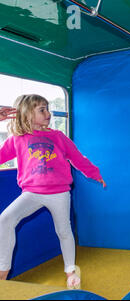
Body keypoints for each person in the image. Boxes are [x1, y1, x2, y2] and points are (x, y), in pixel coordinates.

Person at [0, 94, 106, 289]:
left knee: (64, 231)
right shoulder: (18, 139)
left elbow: (77, 158)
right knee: (5, 219)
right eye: (42, 110)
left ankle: (70, 271)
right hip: (31, 193)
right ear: (27, 114)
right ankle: (2, 271)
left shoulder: (58, 137)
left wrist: (94, 173)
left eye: (47, 108)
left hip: (59, 193)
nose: (48, 113)